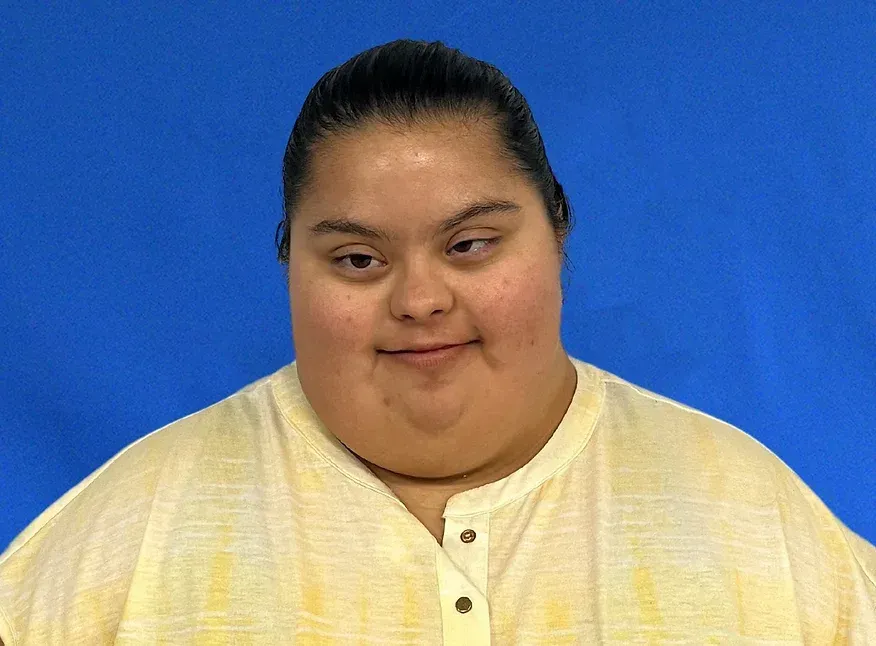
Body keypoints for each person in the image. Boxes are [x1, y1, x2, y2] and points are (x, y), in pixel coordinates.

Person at [0, 38, 873, 645]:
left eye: (469, 246)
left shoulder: (750, 516)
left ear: (557, 234)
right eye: (357, 258)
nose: (419, 299)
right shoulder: (128, 537)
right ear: (287, 264)